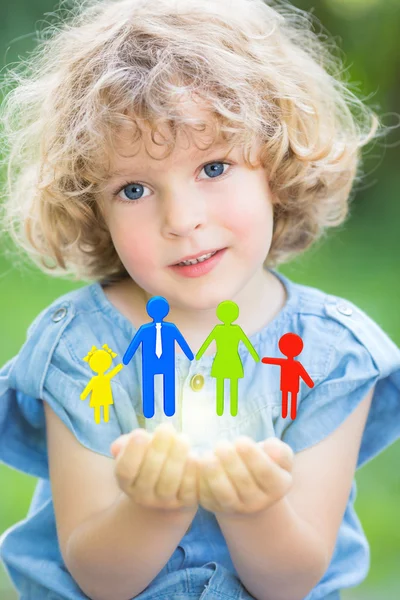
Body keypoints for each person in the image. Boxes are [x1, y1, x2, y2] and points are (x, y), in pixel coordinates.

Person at [0, 1, 399, 599]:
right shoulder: (81, 349)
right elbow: (98, 577)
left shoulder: (330, 354)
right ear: (93, 209)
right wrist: (152, 508)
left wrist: (254, 510)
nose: (182, 220)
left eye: (214, 167)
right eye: (133, 188)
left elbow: (293, 581)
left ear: (276, 165)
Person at [123, 296, 194, 418]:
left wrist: (190, 355)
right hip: (150, 362)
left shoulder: (171, 328)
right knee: (148, 385)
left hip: (167, 361)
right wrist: (126, 358)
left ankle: (169, 409)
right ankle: (149, 410)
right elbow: (135, 344)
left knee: (169, 384)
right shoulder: (145, 330)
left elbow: (181, 342)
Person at [195, 300, 260, 416]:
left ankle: (224, 409)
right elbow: (247, 344)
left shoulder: (222, 329)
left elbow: (207, 343)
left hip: (225, 359)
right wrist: (255, 355)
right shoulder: (233, 330)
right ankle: (228, 409)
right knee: (229, 385)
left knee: (223, 384)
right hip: (230, 359)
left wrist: (199, 355)